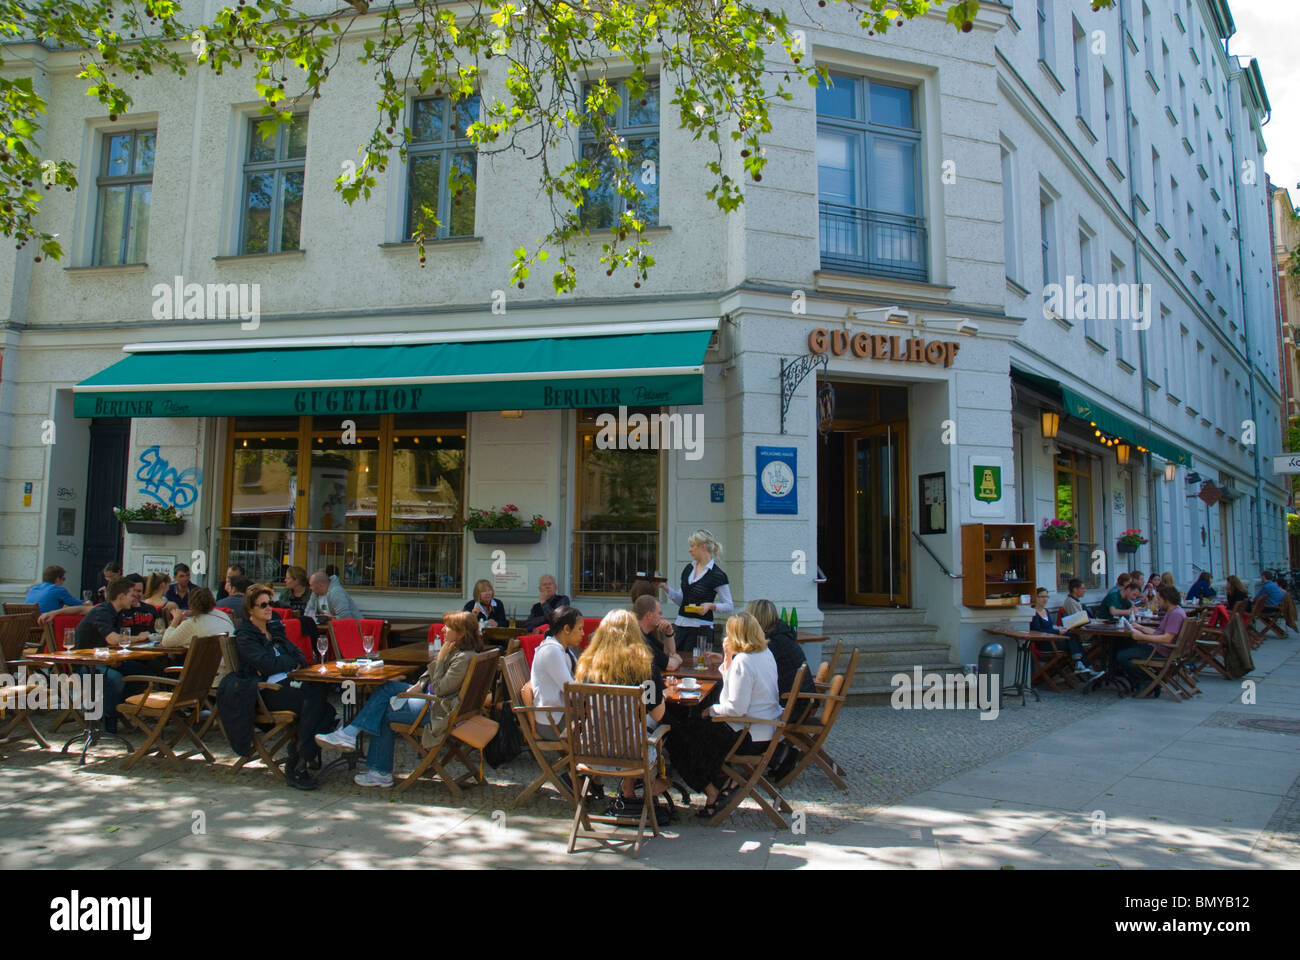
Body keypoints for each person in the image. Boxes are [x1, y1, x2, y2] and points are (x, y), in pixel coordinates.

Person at [315, 611, 482, 788]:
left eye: (448, 626)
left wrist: (439, 659)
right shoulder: (460, 651)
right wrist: (418, 685)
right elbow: (432, 677)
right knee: (386, 688)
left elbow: (441, 688)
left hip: (440, 711)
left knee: (385, 712)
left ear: (462, 633)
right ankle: (352, 735)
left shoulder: (463, 658)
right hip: (442, 704)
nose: (443, 629)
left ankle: (377, 768)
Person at [674, 612, 781, 819]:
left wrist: (711, 710)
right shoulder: (764, 654)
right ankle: (722, 783)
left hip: (747, 733)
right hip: (764, 729)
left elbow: (735, 707)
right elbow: (736, 690)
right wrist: (728, 659)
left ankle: (713, 790)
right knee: (693, 730)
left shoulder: (744, 661)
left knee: (680, 738)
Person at [235, 583, 336, 790]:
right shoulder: (245, 636)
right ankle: (300, 763)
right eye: (262, 604)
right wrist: (290, 662)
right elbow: (267, 665)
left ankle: (298, 757)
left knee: (326, 706)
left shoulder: (275, 630)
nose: (268, 608)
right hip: (266, 692)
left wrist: (290, 661)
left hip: (289, 682)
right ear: (250, 610)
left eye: (270, 603)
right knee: (319, 705)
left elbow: (300, 655)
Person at [573, 609, 670, 811]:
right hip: (633, 755)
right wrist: (661, 697)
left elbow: (581, 709)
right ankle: (650, 786)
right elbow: (657, 714)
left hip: (592, 751)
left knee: (628, 727)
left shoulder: (586, 666)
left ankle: (628, 791)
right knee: (656, 727)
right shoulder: (645, 668)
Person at [73, 578, 139, 734]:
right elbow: (113, 639)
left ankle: (113, 709)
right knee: (114, 679)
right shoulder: (102, 612)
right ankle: (109, 723)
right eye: (131, 594)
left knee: (141, 672)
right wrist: (140, 637)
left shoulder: (117, 613)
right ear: (121, 596)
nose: (134, 598)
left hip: (104, 661)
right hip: (85, 665)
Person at [659, 529, 733, 659]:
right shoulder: (688, 569)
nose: (689, 550)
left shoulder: (717, 575)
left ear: (703, 547)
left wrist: (711, 606)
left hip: (701, 630)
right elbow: (682, 601)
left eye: (692, 546)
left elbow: (729, 605)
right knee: (675, 660)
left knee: (696, 666)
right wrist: (665, 588)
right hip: (681, 626)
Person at [1117, 585, 1187, 696]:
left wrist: (1142, 637)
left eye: (1159, 599)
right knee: (1126, 650)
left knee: (1122, 656)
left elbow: (1167, 638)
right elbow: (1159, 633)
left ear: (1167, 599)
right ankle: (1148, 681)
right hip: (1162, 648)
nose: (1157, 601)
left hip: (1161, 651)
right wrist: (1140, 628)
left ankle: (1148, 681)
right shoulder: (1175, 611)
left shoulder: (1175, 615)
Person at [529, 605, 585, 740]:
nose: (583, 633)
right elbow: (571, 690)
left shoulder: (563, 649)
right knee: (602, 718)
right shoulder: (552, 651)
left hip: (560, 714)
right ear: (566, 629)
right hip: (551, 721)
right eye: (580, 629)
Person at [161, 587, 236, 682]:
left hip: (205, 679)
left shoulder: (194, 622)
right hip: (229, 673)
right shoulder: (223, 615)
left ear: (191, 604)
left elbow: (166, 642)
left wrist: (175, 620)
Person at [1028, 588, 1103, 679]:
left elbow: (1050, 627)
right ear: (1035, 598)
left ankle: (1082, 665)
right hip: (1044, 643)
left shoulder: (1046, 611)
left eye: (1047, 596)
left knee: (1073, 636)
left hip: (1053, 639)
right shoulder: (1033, 613)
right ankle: (1084, 666)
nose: (1045, 599)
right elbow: (1037, 630)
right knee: (1072, 638)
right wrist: (1058, 631)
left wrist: (1060, 629)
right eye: (1042, 597)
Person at [746, 599, 816, 698]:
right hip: (799, 699)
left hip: (790, 702)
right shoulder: (781, 633)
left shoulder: (774, 642)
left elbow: (750, 664)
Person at [27, 565, 93, 623]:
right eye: (63, 579)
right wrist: (88, 603)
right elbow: (79, 605)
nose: (63, 582)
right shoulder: (57, 589)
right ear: (57, 579)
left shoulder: (33, 589)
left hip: (28, 625)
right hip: (46, 626)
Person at [633, 594, 680, 672]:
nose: (662, 617)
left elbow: (668, 653)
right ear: (649, 615)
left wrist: (669, 632)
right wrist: (677, 660)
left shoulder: (646, 634)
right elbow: (670, 666)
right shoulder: (640, 638)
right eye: (660, 613)